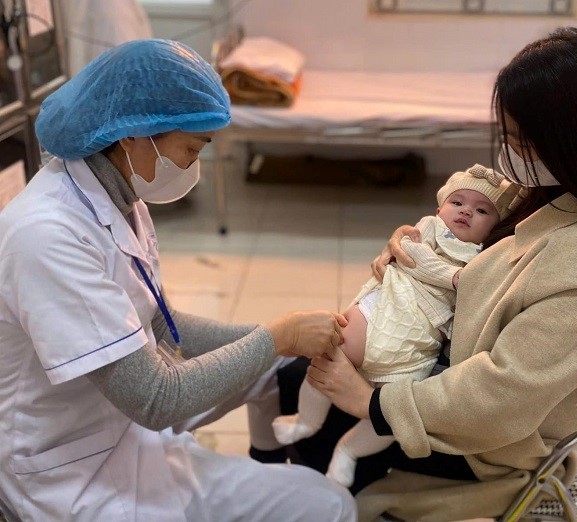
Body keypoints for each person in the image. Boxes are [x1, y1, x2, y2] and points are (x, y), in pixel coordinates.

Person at [277, 27, 577, 521]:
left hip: (489, 437)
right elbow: (471, 239)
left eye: (522, 140)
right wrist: (413, 239)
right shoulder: (550, 198)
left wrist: (370, 403)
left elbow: (500, 397)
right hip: (451, 363)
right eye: (507, 136)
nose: (509, 152)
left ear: (574, 142)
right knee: (304, 368)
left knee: (302, 384)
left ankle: (319, 503)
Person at [0, 40, 356, 521]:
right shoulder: (47, 236)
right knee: (329, 504)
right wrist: (276, 337)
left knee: (279, 375)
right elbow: (155, 399)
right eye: (190, 149)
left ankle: (266, 462)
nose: (193, 166)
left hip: (124, 426)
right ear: (134, 134)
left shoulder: (118, 196)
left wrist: (282, 342)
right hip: (71, 473)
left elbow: (165, 325)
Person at [272, 165, 521, 487]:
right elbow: (412, 258)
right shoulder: (428, 229)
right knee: (325, 360)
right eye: (457, 202)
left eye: (482, 210)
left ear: (495, 229)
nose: (466, 211)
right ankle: (307, 421)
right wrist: (456, 278)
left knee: (393, 415)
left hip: (417, 345)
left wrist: (469, 281)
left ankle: (348, 451)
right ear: (439, 209)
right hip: (385, 312)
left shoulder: (486, 258)